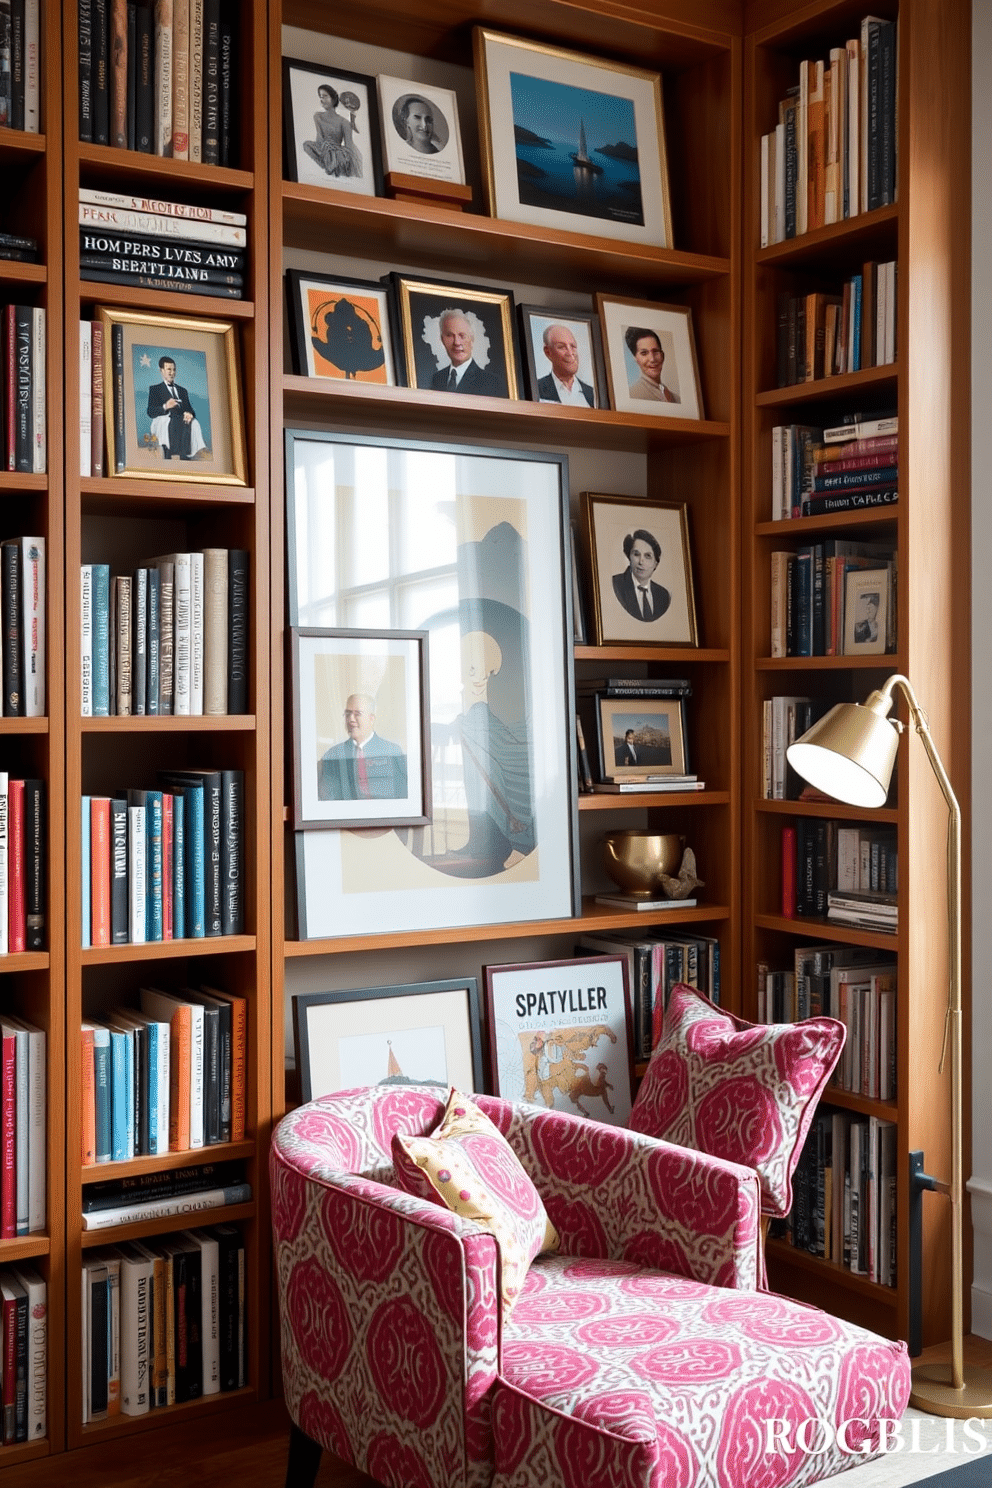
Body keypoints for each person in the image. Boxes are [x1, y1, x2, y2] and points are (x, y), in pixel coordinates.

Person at [318, 692, 407, 801]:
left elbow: (402, 794)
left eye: (357, 714)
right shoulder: (333, 755)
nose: (351, 719)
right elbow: (327, 797)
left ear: (371, 718)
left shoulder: (392, 751)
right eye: (347, 714)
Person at [146, 356, 206, 461]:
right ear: (162, 371)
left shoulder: (183, 391)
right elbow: (150, 412)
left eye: (174, 370)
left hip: (181, 420)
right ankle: (169, 455)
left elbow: (190, 409)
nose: (172, 372)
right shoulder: (155, 390)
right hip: (167, 420)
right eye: (169, 369)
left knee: (193, 422)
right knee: (171, 422)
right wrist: (165, 406)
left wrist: (189, 414)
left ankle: (185, 456)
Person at [429, 309, 499, 395]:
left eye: (462, 335)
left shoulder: (491, 382)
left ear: (472, 339)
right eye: (450, 335)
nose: (457, 342)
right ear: (442, 339)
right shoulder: (437, 378)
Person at [302, 84, 362, 179]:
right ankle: (327, 164)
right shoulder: (318, 116)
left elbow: (349, 147)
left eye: (325, 96)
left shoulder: (344, 122)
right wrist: (325, 148)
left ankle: (332, 164)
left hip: (338, 153)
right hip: (322, 148)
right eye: (321, 97)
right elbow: (319, 138)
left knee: (338, 157)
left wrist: (336, 152)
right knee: (306, 145)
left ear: (334, 99)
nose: (322, 100)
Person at [612, 528, 672, 622]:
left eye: (648, 556)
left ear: (655, 563)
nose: (641, 561)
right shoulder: (615, 585)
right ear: (629, 557)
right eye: (636, 554)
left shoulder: (663, 595)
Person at [535, 323, 595, 407]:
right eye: (561, 347)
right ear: (548, 352)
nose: (570, 353)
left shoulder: (592, 394)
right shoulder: (536, 390)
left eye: (573, 346)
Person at [624, 326, 680, 403]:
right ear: (636, 359)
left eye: (656, 351)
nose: (652, 359)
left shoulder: (676, 398)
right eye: (644, 353)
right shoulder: (632, 395)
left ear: (662, 355)